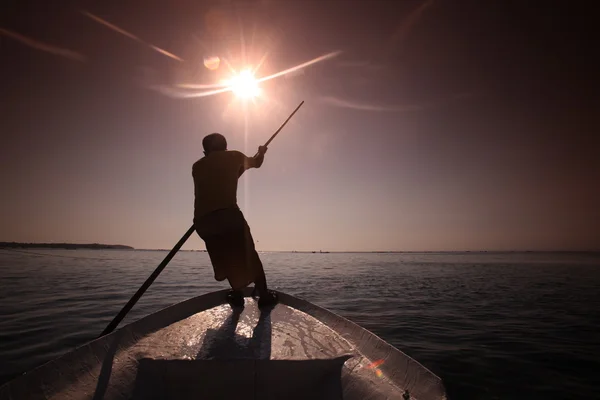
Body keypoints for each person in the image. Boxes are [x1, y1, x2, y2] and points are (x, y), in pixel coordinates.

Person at [193, 133, 278, 308]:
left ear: (204, 151)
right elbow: (256, 163)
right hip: (228, 215)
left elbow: (220, 178)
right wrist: (261, 152)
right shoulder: (235, 156)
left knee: (226, 257)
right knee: (248, 253)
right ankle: (264, 295)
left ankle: (237, 294)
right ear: (226, 146)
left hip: (203, 221)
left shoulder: (197, 166)